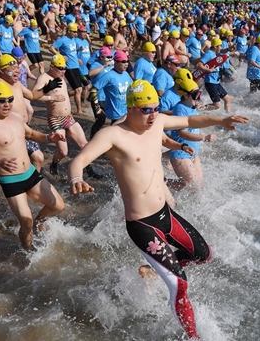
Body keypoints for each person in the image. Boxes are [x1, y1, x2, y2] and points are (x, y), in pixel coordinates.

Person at [67, 80, 248, 339]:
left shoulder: (158, 122)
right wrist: (76, 178)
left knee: (203, 254)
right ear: (130, 107)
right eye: (145, 110)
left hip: (165, 215)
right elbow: (80, 160)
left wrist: (221, 120)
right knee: (180, 284)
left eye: (155, 108)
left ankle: (151, 270)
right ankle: (193, 337)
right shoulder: (113, 135)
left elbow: (190, 121)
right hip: (143, 225)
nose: (152, 115)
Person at [0, 82, 65, 249]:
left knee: (58, 206)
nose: (7, 104)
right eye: (2, 101)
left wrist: (47, 137)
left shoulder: (16, 117)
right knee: (26, 221)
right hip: (11, 180)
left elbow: (30, 133)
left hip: (30, 173)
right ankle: (27, 248)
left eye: (10, 99)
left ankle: (39, 222)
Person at [31, 54, 89, 174]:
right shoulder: (44, 78)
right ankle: (54, 165)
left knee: (85, 146)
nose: (63, 71)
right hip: (55, 119)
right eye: (60, 69)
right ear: (52, 67)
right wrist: (51, 97)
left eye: (64, 68)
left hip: (68, 118)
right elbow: (33, 96)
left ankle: (88, 169)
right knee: (63, 152)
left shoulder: (61, 76)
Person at [165, 74, 210, 192]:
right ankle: (161, 182)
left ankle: (163, 182)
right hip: (181, 153)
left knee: (198, 187)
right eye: (195, 95)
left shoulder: (191, 106)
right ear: (185, 95)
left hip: (193, 152)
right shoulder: (179, 109)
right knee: (194, 187)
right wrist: (203, 138)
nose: (198, 97)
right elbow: (182, 133)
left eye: (199, 94)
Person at [197, 37, 231, 111]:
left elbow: (223, 52)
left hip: (216, 82)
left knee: (227, 99)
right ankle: (198, 109)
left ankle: (229, 116)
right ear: (216, 47)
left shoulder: (214, 53)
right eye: (220, 46)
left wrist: (229, 49)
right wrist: (208, 70)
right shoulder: (208, 54)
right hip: (210, 83)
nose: (221, 47)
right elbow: (199, 65)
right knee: (217, 105)